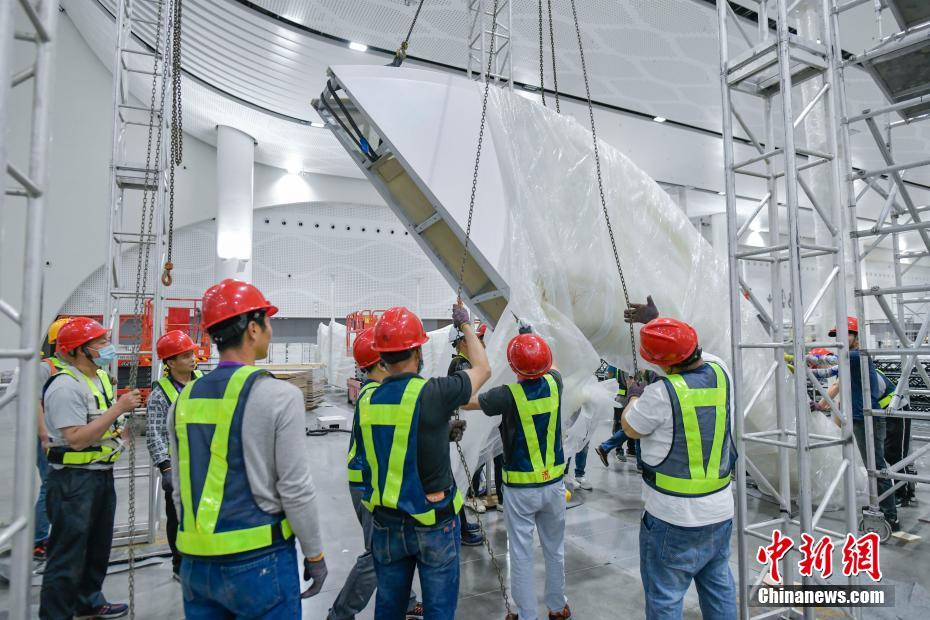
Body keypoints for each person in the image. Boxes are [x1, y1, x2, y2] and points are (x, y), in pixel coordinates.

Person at [168, 279, 327, 617]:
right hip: (260, 562)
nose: (271, 329)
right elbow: (295, 489)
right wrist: (314, 554)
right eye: (268, 321)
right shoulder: (280, 396)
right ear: (253, 329)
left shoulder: (183, 400)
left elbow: (180, 490)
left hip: (196, 564)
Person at [356, 303, 490, 619]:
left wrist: (437, 433)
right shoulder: (433, 393)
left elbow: (387, 446)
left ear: (381, 357)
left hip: (386, 523)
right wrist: (466, 325)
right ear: (417, 352)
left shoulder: (367, 400)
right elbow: (483, 369)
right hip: (433, 524)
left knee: (389, 609)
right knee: (439, 610)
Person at [620, 316, 737, 620]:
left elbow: (630, 428)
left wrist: (633, 396)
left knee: (665, 598)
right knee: (719, 588)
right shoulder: (722, 371)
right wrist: (658, 324)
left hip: (671, 518)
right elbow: (690, 351)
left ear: (662, 363)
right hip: (720, 512)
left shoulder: (660, 394)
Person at [462, 330, 571, 620]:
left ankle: (526, 614)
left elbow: (469, 402)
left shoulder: (506, 395)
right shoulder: (555, 383)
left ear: (513, 367)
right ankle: (557, 607)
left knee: (521, 553)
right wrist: (532, 336)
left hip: (521, 491)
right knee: (554, 549)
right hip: (554, 486)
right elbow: (553, 365)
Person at [39, 317, 140, 620]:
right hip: (73, 481)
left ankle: (88, 602)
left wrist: (120, 429)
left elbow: (105, 422)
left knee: (97, 548)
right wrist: (118, 408)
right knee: (67, 554)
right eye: (100, 342)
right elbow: (76, 439)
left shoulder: (100, 378)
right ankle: (55, 614)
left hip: (100, 476)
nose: (108, 347)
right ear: (79, 350)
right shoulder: (65, 386)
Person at [329, 327, 423, 620]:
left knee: (391, 546)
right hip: (368, 485)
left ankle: (406, 602)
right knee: (376, 554)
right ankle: (340, 614)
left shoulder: (369, 391)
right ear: (382, 363)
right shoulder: (375, 395)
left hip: (367, 481)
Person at [818, 317, 899, 531]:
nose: (840, 339)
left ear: (855, 336)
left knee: (876, 466)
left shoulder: (856, 356)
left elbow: (829, 365)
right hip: (857, 416)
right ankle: (880, 506)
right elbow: (835, 381)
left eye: (845, 334)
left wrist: (804, 358)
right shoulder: (849, 359)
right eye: (837, 336)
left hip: (867, 418)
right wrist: (820, 405)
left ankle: (890, 516)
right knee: (872, 465)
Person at [144, 330, 203, 580]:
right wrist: (165, 467)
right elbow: (154, 433)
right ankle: (179, 565)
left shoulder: (203, 381)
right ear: (170, 362)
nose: (192, 359)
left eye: (192, 354)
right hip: (178, 466)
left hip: (206, 462)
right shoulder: (161, 394)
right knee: (178, 517)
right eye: (186, 355)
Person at [32, 317, 71, 561]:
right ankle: (39, 540)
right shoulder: (46, 368)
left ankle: (58, 536)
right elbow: (35, 402)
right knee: (49, 485)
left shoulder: (75, 368)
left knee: (64, 486)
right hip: (49, 436)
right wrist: (43, 434)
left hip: (68, 435)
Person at [447, 327, 487, 544]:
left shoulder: (461, 363)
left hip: (461, 427)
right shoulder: (461, 365)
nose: (478, 343)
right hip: (461, 429)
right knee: (459, 476)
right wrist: (490, 402)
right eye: (474, 340)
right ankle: (461, 529)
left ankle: (462, 523)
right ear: (462, 342)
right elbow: (464, 400)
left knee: (461, 476)